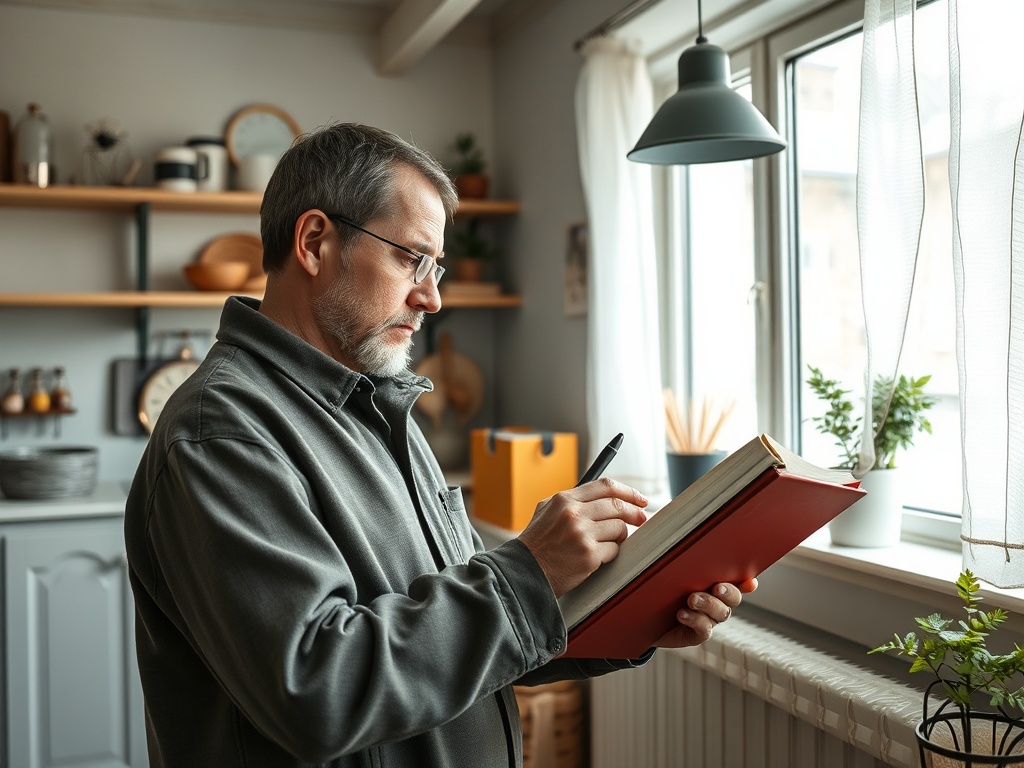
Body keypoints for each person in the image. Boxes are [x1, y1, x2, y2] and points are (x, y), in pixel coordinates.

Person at [123, 123, 754, 767]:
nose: (432, 297)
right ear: (315, 243)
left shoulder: (382, 407)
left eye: (438, 267)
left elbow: (454, 647)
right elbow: (318, 691)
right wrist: (529, 571)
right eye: (411, 259)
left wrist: (633, 612)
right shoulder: (220, 433)